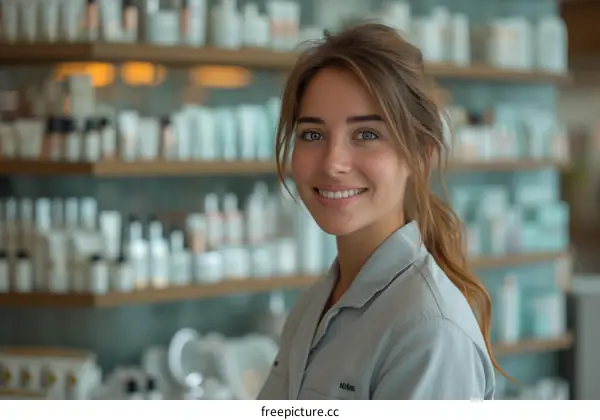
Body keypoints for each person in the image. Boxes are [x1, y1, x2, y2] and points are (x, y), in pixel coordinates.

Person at [257, 23, 501, 400]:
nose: (333, 162)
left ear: (420, 156)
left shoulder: (430, 333)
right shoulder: (315, 304)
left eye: (367, 135)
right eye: (312, 134)